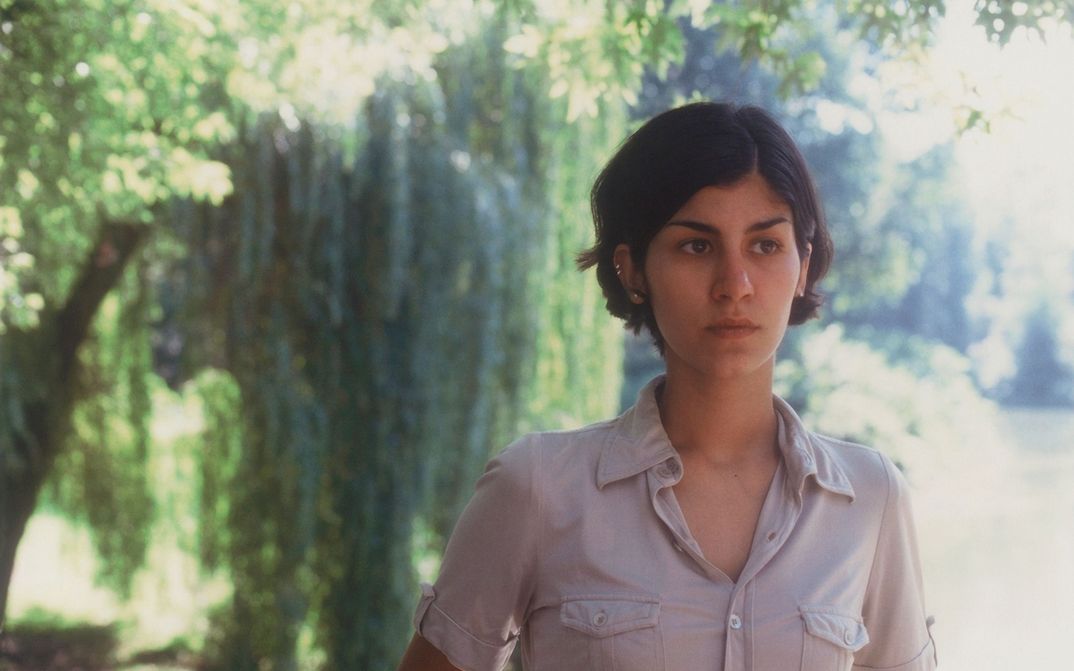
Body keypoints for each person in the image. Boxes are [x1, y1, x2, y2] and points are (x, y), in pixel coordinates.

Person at [397, 102, 937, 671]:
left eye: (765, 245)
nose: (735, 285)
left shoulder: (871, 499)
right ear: (632, 270)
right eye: (697, 246)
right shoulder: (537, 488)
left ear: (802, 266)